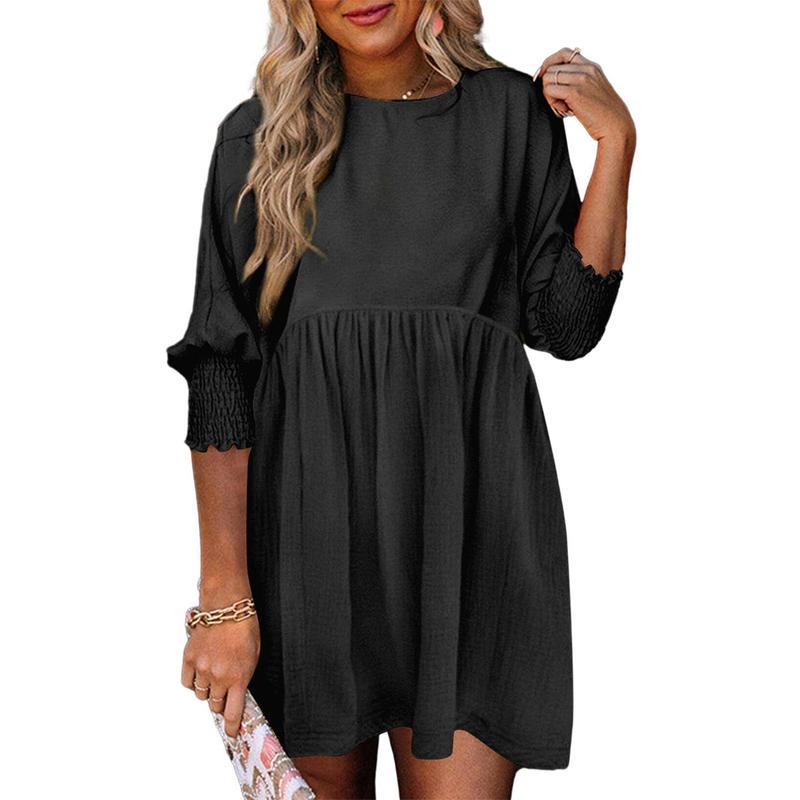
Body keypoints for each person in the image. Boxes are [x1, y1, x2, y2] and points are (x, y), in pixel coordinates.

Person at [166, 2, 635, 797]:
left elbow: (567, 324)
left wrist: (616, 145)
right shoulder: (260, 138)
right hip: (308, 557)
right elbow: (221, 374)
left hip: (474, 545)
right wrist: (223, 600)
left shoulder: (510, 116)